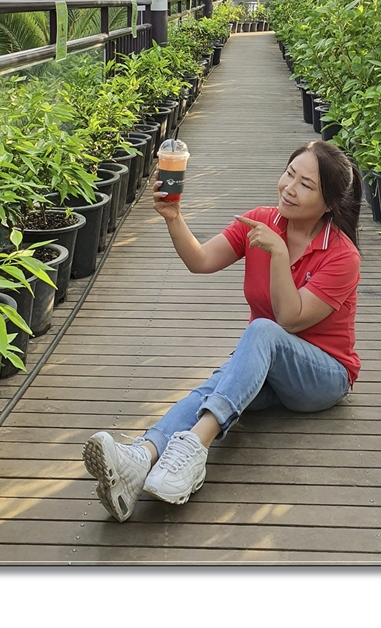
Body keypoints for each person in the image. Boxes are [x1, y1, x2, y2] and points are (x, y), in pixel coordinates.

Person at [82, 139, 362, 522]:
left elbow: (289, 320)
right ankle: (140, 459)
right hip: (268, 365)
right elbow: (200, 260)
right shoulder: (260, 222)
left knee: (261, 331)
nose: (289, 188)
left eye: (306, 185)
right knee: (216, 385)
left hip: (323, 376)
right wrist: (173, 217)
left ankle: (195, 448)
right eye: (289, 174)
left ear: (329, 203)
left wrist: (279, 253)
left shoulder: (342, 256)